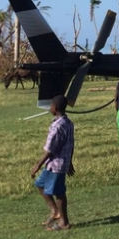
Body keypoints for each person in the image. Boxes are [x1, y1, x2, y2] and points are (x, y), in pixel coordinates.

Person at [31, 94, 75, 231]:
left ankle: (64, 222)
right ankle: (55, 211)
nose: (49, 108)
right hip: (57, 163)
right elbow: (71, 144)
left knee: (59, 192)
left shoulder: (57, 126)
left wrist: (38, 165)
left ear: (55, 108)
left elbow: (51, 149)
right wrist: (70, 162)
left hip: (56, 164)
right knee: (40, 184)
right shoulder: (68, 122)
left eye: (50, 106)